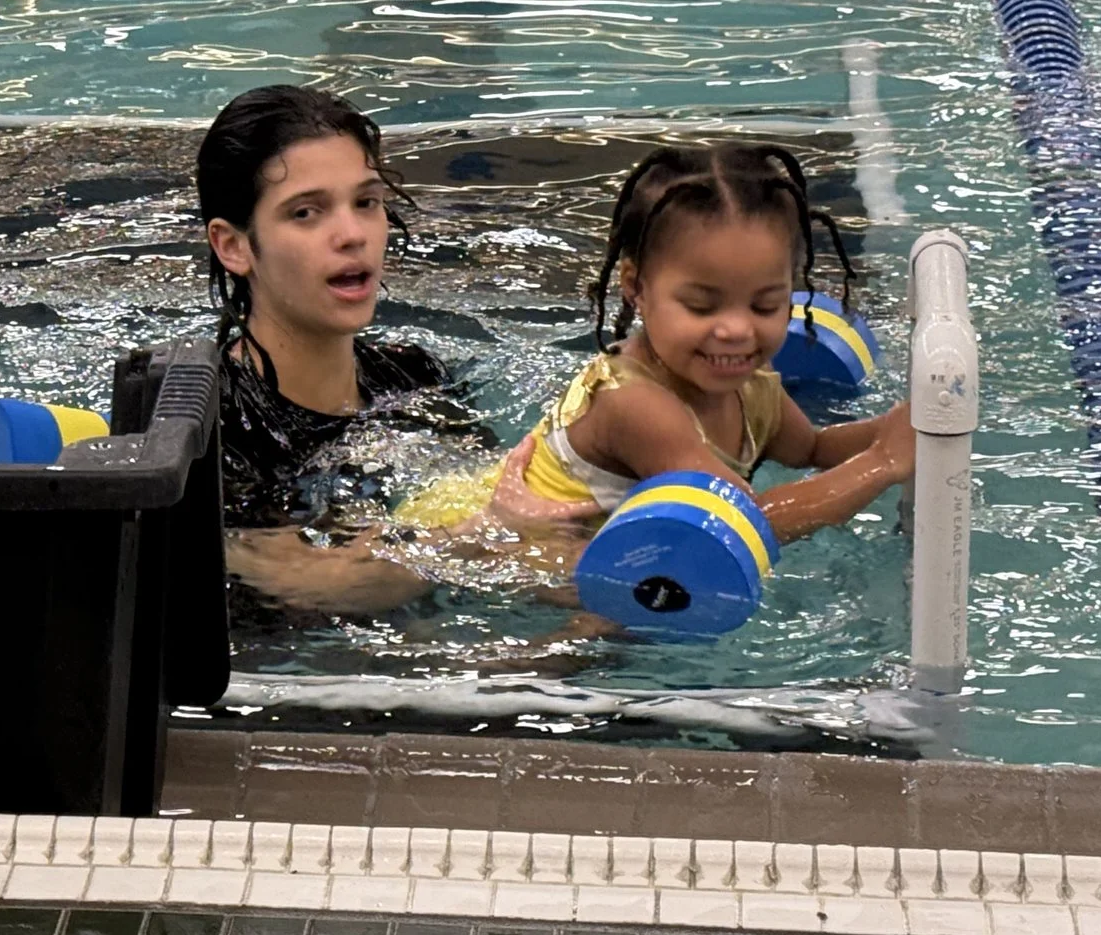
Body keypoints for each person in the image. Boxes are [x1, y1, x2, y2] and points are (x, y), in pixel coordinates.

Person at [496, 143, 913, 540]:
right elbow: (741, 524)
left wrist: (902, 427)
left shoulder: (752, 380)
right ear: (636, 287)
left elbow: (813, 447)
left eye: (765, 306)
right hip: (483, 544)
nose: (737, 330)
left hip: (598, 555)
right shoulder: (636, 407)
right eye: (700, 306)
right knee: (597, 610)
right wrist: (883, 463)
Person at [198, 85, 494, 613]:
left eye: (366, 202)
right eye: (306, 213)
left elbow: (506, 500)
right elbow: (322, 583)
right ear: (234, 246)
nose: (352, 234)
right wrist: (487, 535)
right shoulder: (211, 422)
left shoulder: (414, 378)